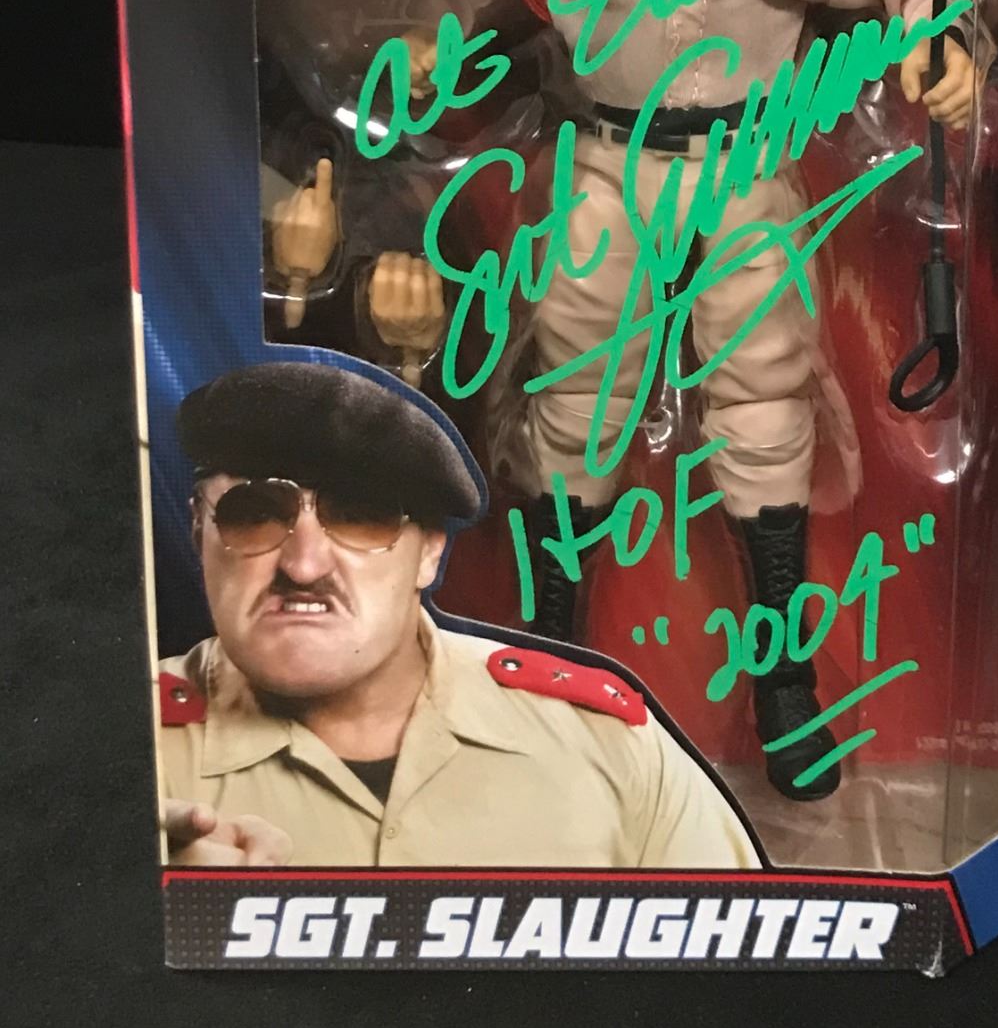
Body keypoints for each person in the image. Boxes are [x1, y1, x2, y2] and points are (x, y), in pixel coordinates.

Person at [269, 0, 977, 802]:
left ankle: (784, 680)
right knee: (577, 394)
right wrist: (428, 48)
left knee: (765, 397)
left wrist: (943, 46)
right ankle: (551, 658)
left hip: (744, 171)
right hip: (607, 167)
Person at [158, 361, 762, 869]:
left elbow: (756, 964)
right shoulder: (129, 759)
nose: (305, 563)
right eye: (254, 514)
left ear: (430, 554)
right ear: (197, 532)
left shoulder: (606, 747)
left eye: (362, 516)